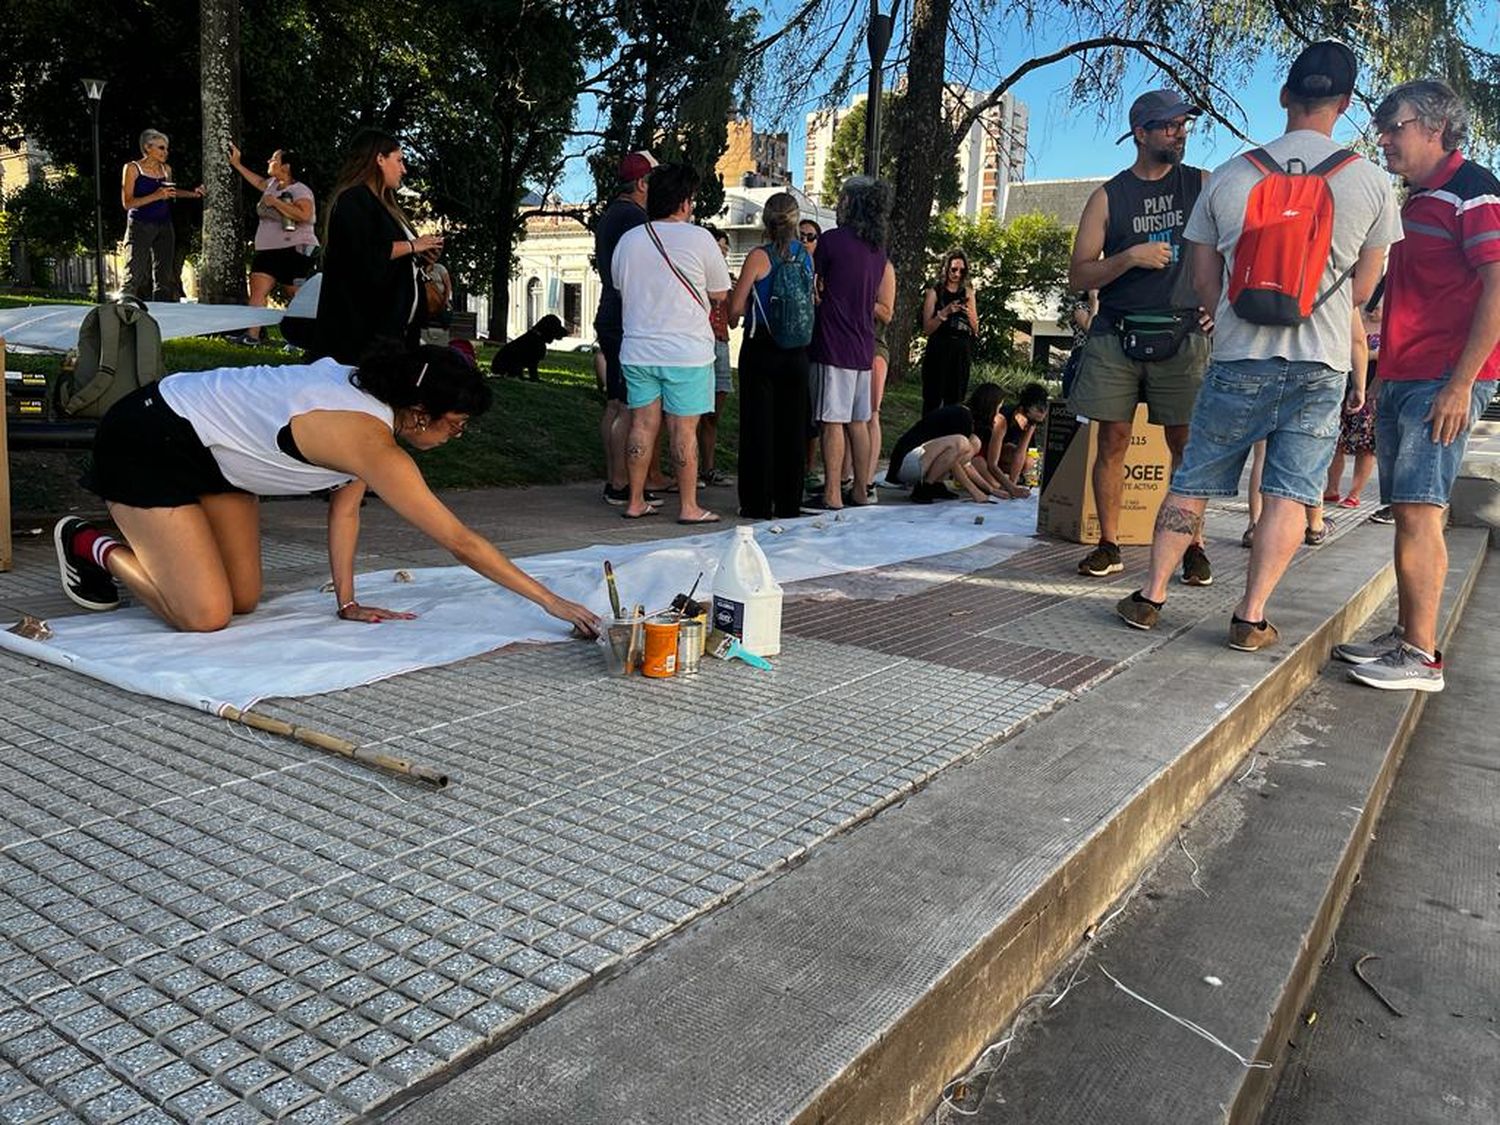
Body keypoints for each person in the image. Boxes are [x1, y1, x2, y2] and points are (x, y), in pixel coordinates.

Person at [1116, 41, 1401, 651]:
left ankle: (1151, 596)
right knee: (1290, 493)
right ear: (1346, 104)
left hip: (1239, 354)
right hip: (1319, 361)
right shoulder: (1372, 183)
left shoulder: (1230, 175)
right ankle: (1250, 617)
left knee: (1191, 479)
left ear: (1284, 97)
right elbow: (1366, 288)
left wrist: (1229, 311)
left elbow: (1200, 279)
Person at [51, 345, 598, 638]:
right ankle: (88, 544)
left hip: (219, 460)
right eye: (454, 423)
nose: (457, 435)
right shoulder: (368, 439)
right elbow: (458, 540)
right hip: (148, 438)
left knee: (244, 599)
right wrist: (552, 601)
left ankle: (154, 546)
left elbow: (346, 511)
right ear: (417, 412)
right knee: (205, 615)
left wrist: (349, 602)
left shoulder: (377, 409)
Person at [1334, 79, 1500, 692]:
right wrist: (1383, 380)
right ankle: (1407, 635)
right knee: (1406, 509)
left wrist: (1461, 385)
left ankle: (1421, 656)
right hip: (1407, 374)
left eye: (1394, 126)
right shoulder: (1417, 198)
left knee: (1420, 513)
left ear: (1435, 128)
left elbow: (1498, 289)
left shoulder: (1473, 192)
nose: (1383, 138)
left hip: (1444, 378)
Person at [1068, 89, 1212, 585]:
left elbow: (1236, 247)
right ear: (1141, 133)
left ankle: (1193, 545)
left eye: (1183, 124)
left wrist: (1221, 305)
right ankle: (1108, 543)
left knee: (1186, 445)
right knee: (1112, 438)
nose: (1180, 132)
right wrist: (1129, 257)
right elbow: (1080, 275)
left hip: (1183, 331)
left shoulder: (1201, 185)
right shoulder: (1108, 196)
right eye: (1169, 125)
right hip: (1116, 333)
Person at [612, 163, 731, 524]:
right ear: (683, 201)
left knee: (641, 425)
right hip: (687, 351)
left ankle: (634, 500)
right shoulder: (700, 239)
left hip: (637, 347)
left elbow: (619, 286)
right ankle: (689, 506)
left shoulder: (630, 240)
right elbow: (720, 293)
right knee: (684, 429)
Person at [314, 129, 441, 364]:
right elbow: (361, 255)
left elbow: (387, 256)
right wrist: (413, 245)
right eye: (399, 160)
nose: (403, 169)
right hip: (360, 333)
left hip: (393, 331)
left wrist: (422, 256)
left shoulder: (386, 206)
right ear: (379, 159)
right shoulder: (354, 200)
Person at [805, 176, 894, 512]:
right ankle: (861, 487)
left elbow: (816, 281)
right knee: (859, 421)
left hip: (833, 340)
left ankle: (831, 492)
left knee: (832, 421)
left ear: (850, 203)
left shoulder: (832, 241)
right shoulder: (877, 250)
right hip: (863, 344)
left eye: (842, 198)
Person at [727, 193, 813, 520]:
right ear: (795, 220)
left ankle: (756, 502)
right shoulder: (805, 256)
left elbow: (735, 307)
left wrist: (738, 312)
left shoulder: (758, 257)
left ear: (766, 220)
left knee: (758, 427)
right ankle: (789, 500)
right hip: (796, 351)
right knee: (792, 428)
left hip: (762, 347)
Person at [594, 151, 658, 506]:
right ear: (641, 184)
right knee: (626, 404)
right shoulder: (634, 218)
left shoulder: (611, 215)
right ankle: (620, 483)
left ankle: (614, 478)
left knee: (614, 402)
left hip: (610, 311)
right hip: (625, 315)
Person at [227, 144, 317, 344]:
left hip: (294, 250)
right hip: (267, 250)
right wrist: (237, 164)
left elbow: (305, 215)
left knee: (298, 296)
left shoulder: (300, 190)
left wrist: (276, 202)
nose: (269, 162)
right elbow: (258, 181)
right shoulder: (271, 185)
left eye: (274, 159)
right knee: (257, 291)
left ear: (285, 167)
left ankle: (308, 338)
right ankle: (252, 336)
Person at [121, 130, 203, 301]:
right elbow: (128, 203)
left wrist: (194, 194)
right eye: (161, 148)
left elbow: (170, 193)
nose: (165, 152)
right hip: (140, 224)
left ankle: (162, 309)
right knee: (134, 271)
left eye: (166, 149)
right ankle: (125, 308)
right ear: (147, 148)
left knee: (164, 273)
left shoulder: (166, 169)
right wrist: (156, 196)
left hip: (164, 225)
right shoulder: (132, 168)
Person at [1325, 289, 1383, 510]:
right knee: (1335, 441)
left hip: (1371, 389)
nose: (1374, 308)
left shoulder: (1391, 326)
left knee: (1365, 445)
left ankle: (1355, 492)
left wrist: (1363, 353)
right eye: (1371, 303)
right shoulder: (1352, 318)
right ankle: (1332, 488)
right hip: (1343, 385)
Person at [884, 405, 992, 504]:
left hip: (917, 462)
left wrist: (990, 489)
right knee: (961, 442)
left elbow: (966, 465)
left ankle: (936, 484)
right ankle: (926, 486)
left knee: (973, 442)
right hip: (908, 465)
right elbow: (954, 463)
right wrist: (974, 491)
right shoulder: (962, 417)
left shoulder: (961, 416)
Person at [920, 249, 979, 415]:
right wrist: (944, 313)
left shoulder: (968, 292)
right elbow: (927, 328)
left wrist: (968, 313)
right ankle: (928, 435)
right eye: (954, 269)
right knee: (932, 397)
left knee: (955, 400)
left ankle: (950, 436)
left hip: (960, 349)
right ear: (946, 268)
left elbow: (975, 329)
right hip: (939, 348)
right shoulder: (934, 293)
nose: (957, 274)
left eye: (962, 270)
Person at [698, 225, 735, 489]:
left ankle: (708, 468)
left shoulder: (727, 280)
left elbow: (732, 320)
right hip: (700, 341)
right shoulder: (697, 273)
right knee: (691, 411)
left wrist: (735, 294)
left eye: (724, 249)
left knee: (713, 413)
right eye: (717, 248)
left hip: (720, 342)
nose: (721, 253)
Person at [964, 383, 1031, 498]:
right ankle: (994, 485)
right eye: (998, 406)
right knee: (978, 462)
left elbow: (996, 461)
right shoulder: (969, 417)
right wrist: (997, 488)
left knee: (1027, 459)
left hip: (987, 455)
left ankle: (1002, 484)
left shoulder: (999, 420)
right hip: (974, 457)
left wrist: (1012, 485)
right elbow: (968, 461)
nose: (999, 409)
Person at [419, 251, 454, 345]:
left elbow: (448, 286)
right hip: (425, 302)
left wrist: (445, 301)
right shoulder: (420, 269)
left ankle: (441, 340)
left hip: (440, 300)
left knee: (445, 317)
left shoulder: (440, 268)